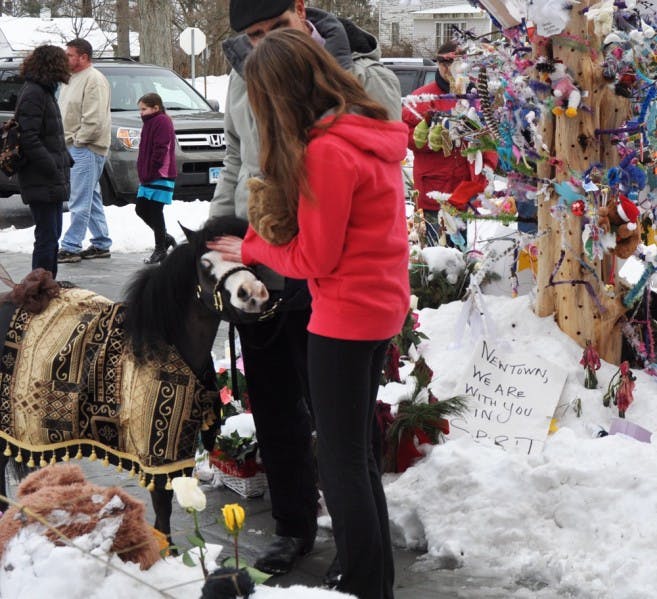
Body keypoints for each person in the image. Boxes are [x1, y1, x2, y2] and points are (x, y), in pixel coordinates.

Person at [209, 29, 410, 599]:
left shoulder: (326, 152)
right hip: (380, 307)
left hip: (344, 317)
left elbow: (310, 259)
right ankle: (376, 580)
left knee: (341, 467)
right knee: (358, 460)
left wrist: (248, 249)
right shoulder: (365, 131)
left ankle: (368, 587)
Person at [402, 41, 494, 245]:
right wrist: (434, 139)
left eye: (452, 63)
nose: (447, 68)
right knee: (435, 253)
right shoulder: (421, 98)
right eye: (442, 63)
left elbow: (490, 138)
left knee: (461, 251)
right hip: (433, 189)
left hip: (465, 188)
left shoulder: (475, 97)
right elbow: (407, 137)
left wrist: (488, 167)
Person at [14, 45, 72, 279]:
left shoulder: (45, 91)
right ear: (52, 64)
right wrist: (51, 165)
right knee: (47, 236)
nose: (67, 65)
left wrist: (64, 159)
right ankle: (39, 288)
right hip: (40, 177)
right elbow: (28, 137)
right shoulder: (35, 93)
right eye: (62, 61)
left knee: (53, 233)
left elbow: (50, 135)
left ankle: (48, 283)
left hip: (50, 178)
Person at [57, 38, 112, 264]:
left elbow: (94, 119)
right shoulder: (70, 78)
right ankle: (101, 243)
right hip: (73, 145)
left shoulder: (94, 80)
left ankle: (71, 246)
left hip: (86, 148)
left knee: (79, 198)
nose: (66, 58)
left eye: (70, 55)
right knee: (91, 196)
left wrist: (79, 142)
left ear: (84, 57)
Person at [135, 92, 177, 264]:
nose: (141, 113)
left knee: (155, 210)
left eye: (144, 109)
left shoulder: (162, 121)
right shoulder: (149, 123)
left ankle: (160, 248)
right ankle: (164, 238)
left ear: (156, 108)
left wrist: (152, 169)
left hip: (160, 174)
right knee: (141, 209)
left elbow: (161, 149)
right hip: (148, 175)